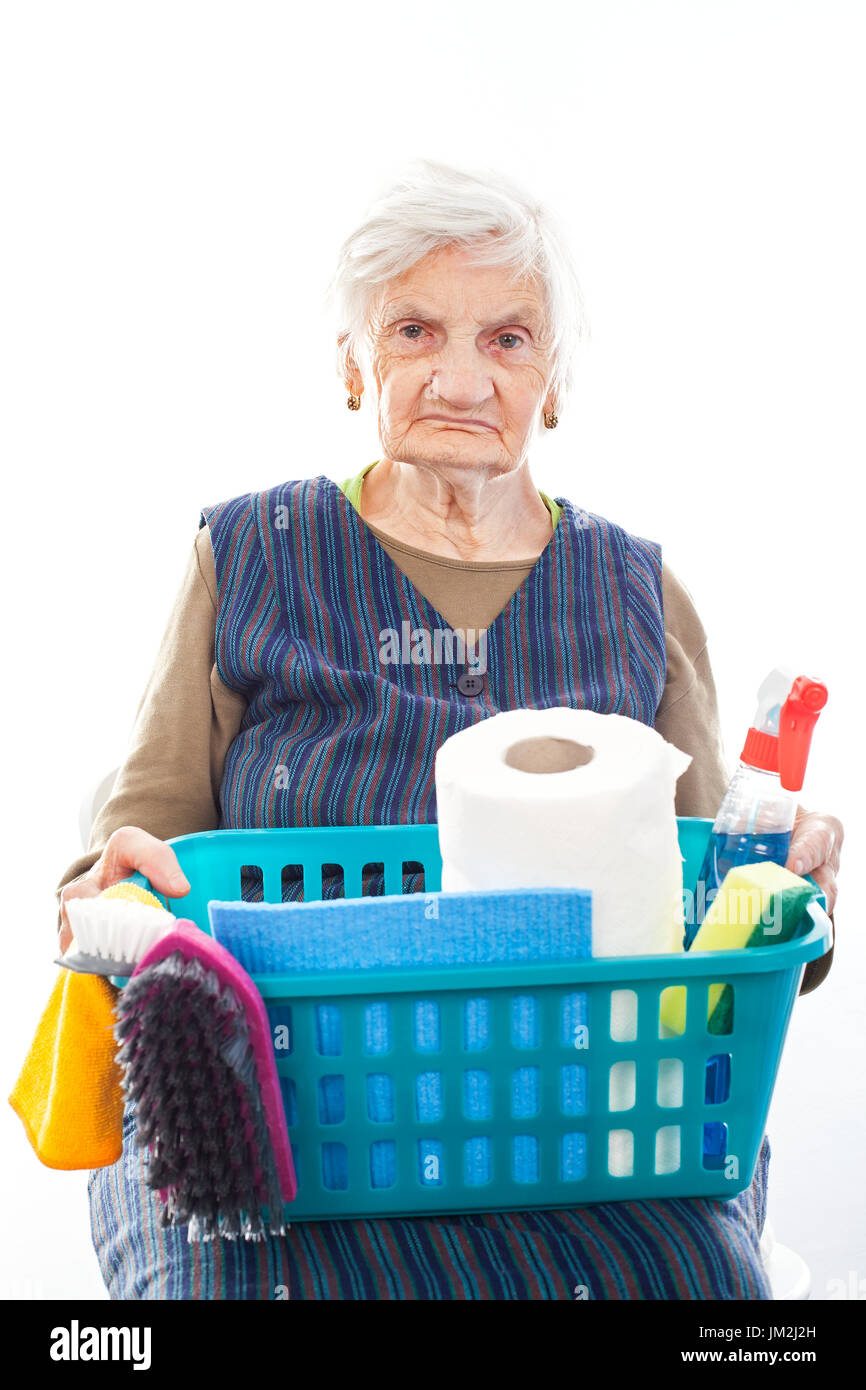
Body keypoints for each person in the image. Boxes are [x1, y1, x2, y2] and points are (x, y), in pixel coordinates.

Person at [57, 157, 843, 1300]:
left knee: (688, 1288)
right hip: (284, 1106)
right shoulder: (247, 556)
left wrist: (783, 872)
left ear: (555, 379)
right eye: (415, 330)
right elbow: (140, 827)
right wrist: (105, 884)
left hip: (573, 1106)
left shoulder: (637, 593)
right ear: (350, 365)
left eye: (509, 339)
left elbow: (713, 909)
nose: (461, 378)